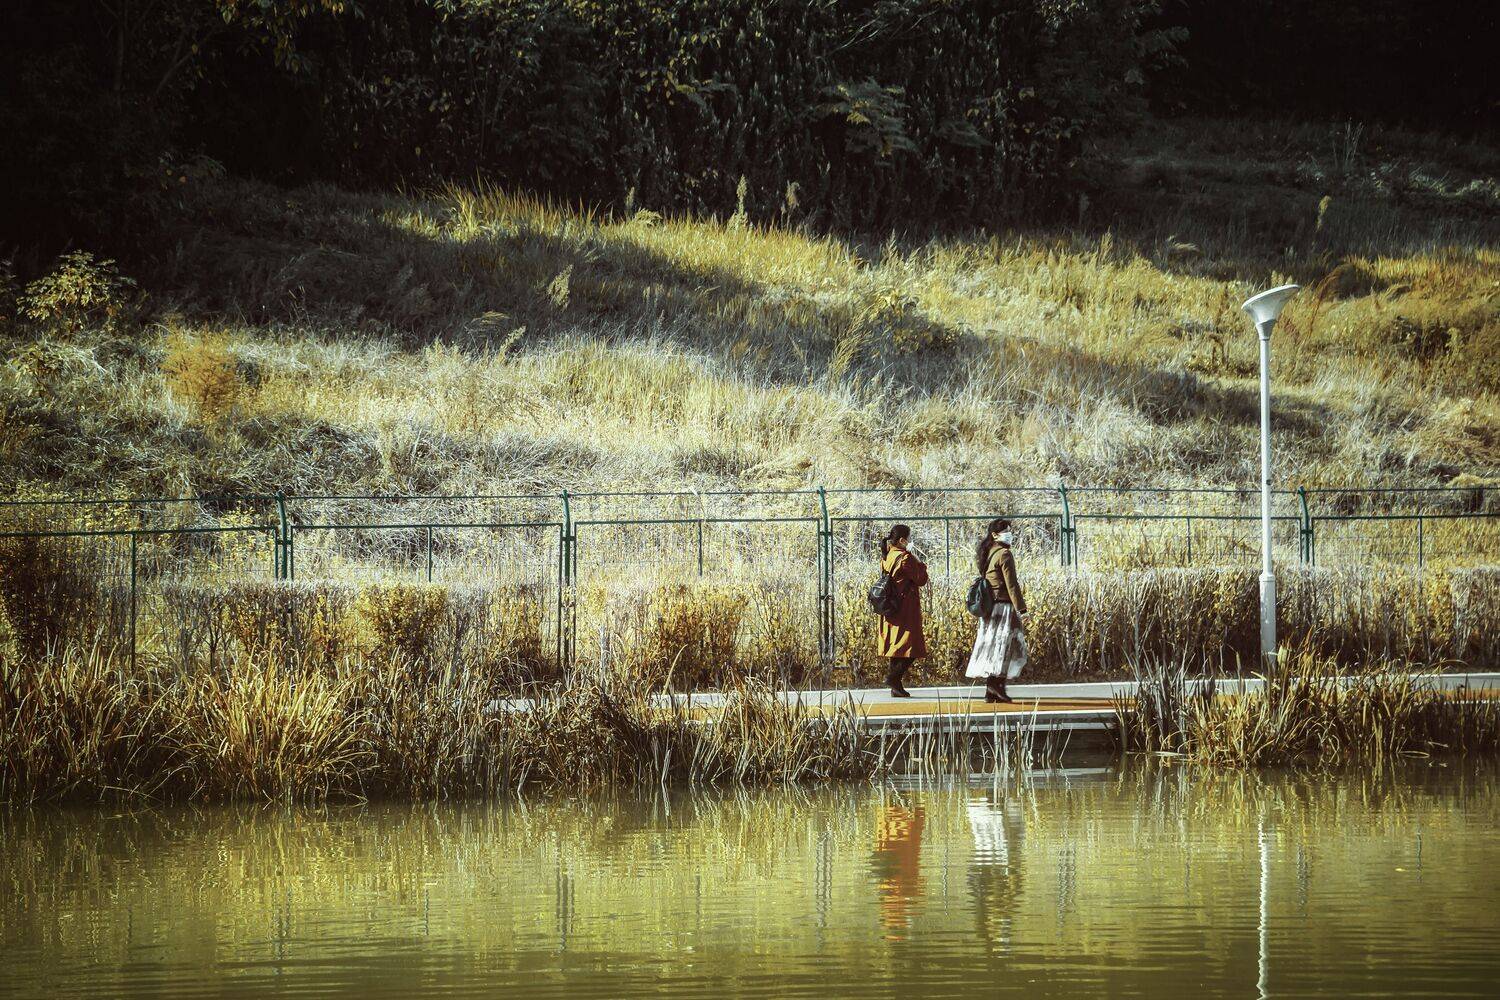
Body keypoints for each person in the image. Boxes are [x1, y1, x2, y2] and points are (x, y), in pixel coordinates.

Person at [966, 518, 1028, 703]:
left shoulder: (988, 553)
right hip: (1004, 607)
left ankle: (991, 689)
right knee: (1006, 646)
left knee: (993, 646)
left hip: (990, 609)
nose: (1010, 534)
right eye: (1006, 531)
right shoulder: (1005, 554)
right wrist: (1022, 609)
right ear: (995, 535)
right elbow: (1012, 585)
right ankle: (997, 686)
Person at [876, 523, 928, 698]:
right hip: (906, 608)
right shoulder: (905, 558)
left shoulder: (887, 555)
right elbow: (921, 579)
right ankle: (893, 678)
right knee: (911, 645)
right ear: (902, 540)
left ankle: (896, 687)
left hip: (891, 606)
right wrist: (920, 562)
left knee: (896, 647)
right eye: (908, 539)